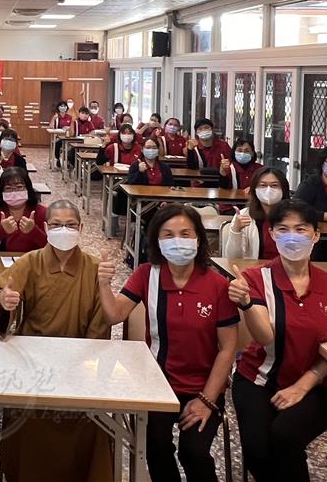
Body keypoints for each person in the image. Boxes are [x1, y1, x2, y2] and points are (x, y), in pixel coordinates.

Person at [97, 205, 238, 482]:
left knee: (194, 452)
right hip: (158, 385)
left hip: (204, 387)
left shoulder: (218, 285)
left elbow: (228, 348)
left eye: (185, 234)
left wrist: (206, 400)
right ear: (157, 241)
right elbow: (114, 315)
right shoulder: (146, 275)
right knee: (155, 448)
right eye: (168, 234)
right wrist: (103, 283)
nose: (177, 241)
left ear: (198, 238)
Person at [228, 199, 327, 482]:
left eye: (301, 229)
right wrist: (247, 303)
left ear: (316, 235)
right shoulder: (255, 278)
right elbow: (264, 337)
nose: (292, 237)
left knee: (285, 436)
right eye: (283, 229)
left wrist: (303, 385)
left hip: (318, 384)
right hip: (258, 379)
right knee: (257, 450)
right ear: (272, 234)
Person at [0, 199, 112, 482]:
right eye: (56, 225)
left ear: (81, 228)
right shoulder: (29, 262)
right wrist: (4, 302)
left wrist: (81, 369)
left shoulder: (94, 268)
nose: (63, 230)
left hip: (79, 369)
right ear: (45, 227)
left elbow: (101, 326)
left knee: (93, 422)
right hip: (33, 368)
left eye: (70, 225)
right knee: (28, 423)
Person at [0, 168, 47, 253]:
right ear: (2, 192)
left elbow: (53, 248)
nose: (14, 192)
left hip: (35, 260)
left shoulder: (42, 212)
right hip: (3, 261)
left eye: (19, 187)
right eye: (8, 188)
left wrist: (33, 231)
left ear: (28, 189)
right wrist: (1, 230)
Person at [221, 167, 291, 260]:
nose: (268, 190)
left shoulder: (294, 216)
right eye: (263, 185)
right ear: (255, 190)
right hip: (255, 268)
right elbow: (233, 258)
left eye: (274, 185)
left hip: (288, 268)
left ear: (283, 189)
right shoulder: (244, 215)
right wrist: (236, 230)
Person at [50, 100, 73, 169]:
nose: (63, 107)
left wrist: (68, 128)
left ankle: (69, 161)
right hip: (59, 137)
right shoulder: (56, 116)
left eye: (64, 106)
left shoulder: (70, 117)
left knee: (72, 146)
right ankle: (57, 159)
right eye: (61, 106)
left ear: (66, 107)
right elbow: (51, 127)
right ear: (58, 107)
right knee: (57, 144)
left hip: (68, 137)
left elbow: (72, 127)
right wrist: (53, 119)